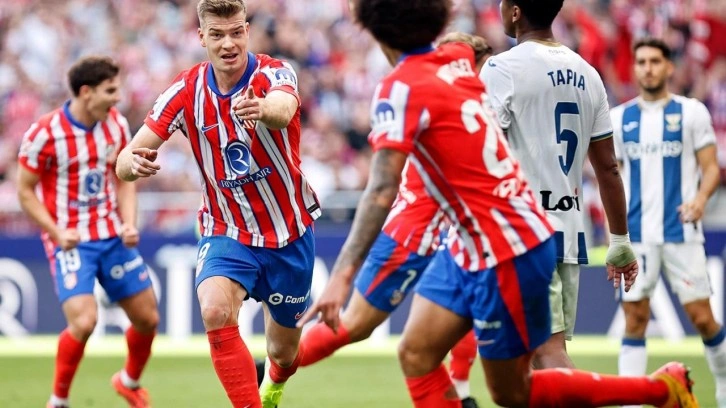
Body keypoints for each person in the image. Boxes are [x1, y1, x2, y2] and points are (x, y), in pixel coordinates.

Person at [302, 0, 699, 407]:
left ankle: (660, 390)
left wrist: (342, 276)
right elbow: (607, 167)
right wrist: (619, 238)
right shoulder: (575, 72)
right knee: (417, 353)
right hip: (520, 230)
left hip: (507, 240)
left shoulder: (478, 73)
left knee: (520, 383)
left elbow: (383, 187)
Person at [255, 32, 492, 408]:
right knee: (355, 324)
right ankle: (273, 370)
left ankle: (461, 391)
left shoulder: (460, 78)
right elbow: (382, 186)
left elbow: (469, 45)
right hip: (414, 226)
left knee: (461, 311)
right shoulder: (430, 90)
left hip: (455, 226)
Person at [115, 0, 319, 406]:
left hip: (289, 232)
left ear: (247, 31)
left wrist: (262, 108)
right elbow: (123, 159)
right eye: (218, 34)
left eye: (236, 32)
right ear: (201, 37)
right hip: (227, 228)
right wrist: (131, 165)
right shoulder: (184, 91)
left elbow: (284, 109)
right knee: (213, 310)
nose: (229, 44)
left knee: (283, 353)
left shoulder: (274, 72)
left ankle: (273, 382)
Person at [478, 0, 637, 369]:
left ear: (516, 11)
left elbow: (483, 154)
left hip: (523, 233)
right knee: (534, 356)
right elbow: (608, 168)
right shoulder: (588, 73)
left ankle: (637, 391)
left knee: (545, 353)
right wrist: (619, 241)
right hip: (566, 231)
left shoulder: (501, 68)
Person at [17, 56, 158, 408]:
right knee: (84, 322)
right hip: (71, 242)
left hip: (111, 235)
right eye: (110, 91)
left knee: (147, 318)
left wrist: (128, 222)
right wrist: (55, 232)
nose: (117, 97)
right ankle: (58, 400)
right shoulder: (44, 133)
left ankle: (128, 381)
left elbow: (124, 181)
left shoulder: (116, 125)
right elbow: (25, 191)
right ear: (86, 92)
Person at [612, 37, 726, 408]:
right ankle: (630, 402)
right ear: (634, 68)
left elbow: (711, 168)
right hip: (637, 236)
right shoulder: (619, 119)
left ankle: (724, 388)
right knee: (634, 318)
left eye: (655, 61)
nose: (648, 68)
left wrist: (700, 199)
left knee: (703, 318)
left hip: (681, 232)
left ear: (669, 67)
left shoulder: (691, 112)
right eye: (641, 62)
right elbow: (611, 176)